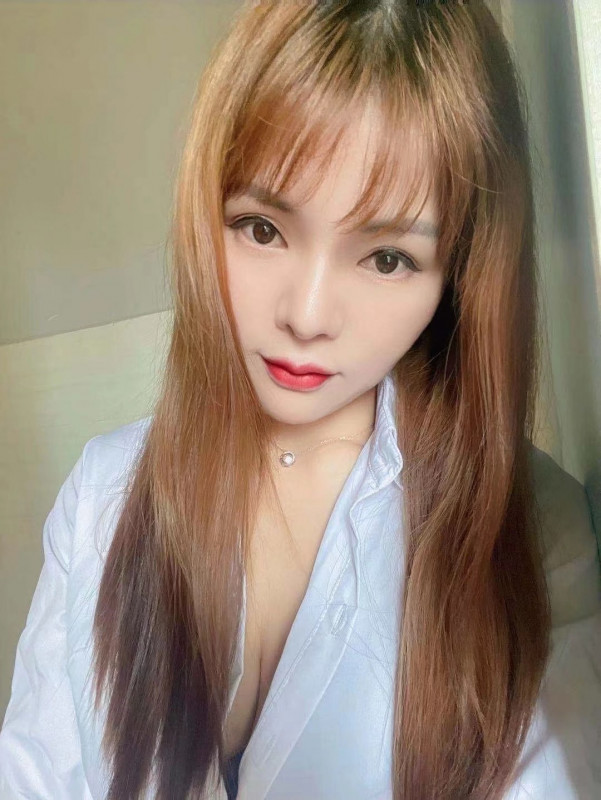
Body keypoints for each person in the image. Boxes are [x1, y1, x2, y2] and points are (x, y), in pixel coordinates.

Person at [1, 0, 600, 797]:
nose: (307, 316)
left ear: (457, 277)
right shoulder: (103, 496)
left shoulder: (528, 530)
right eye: (262, 229)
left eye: (385, 258)